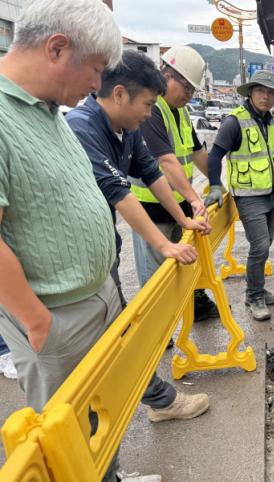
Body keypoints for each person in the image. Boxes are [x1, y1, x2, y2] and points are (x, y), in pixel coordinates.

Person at [0, 1, 161, 480]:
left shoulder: (50, 112)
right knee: (67, 437)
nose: (96, 85)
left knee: (104, 416)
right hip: (56, 316)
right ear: (56, 49)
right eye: (94, 70)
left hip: (96, 297)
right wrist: (37, 321)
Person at [66, 49, 211, 424]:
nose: (149, 113)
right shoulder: (83, 128)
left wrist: (184, 218)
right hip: (72, 264)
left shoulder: (125, 129)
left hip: (101, 254)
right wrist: (164, 244)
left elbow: (151, 172)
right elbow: (119, 192)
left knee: (115, 335)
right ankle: (156, 402)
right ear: (119, 94)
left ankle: (155, 402)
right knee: (110, 339)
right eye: (147, 104)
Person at [133, 45, 219, 323]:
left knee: (184, 261)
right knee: (156, 275)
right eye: (187, 88)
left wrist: (218, 183)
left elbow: (197, 153)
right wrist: (194, 198)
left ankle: (192, 305)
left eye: (193, 90)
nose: (189, 95)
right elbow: (167, 161)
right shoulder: (152, 109)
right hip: (152, 208)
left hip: (178, 206)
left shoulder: (180, 112)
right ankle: (156, 327)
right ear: (167, 75)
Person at [205, 70, 274, 321]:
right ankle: (254, 297)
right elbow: (214, 156)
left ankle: (257, 289)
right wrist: (215, 186)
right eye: (261, 91)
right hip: (248, 196)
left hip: (270, 193)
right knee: (260, 246)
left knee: (265, 245)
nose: (266, 96)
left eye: (271, 92)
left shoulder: (271, 122)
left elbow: (272, 155)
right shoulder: (234, 122)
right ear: (251, 92)